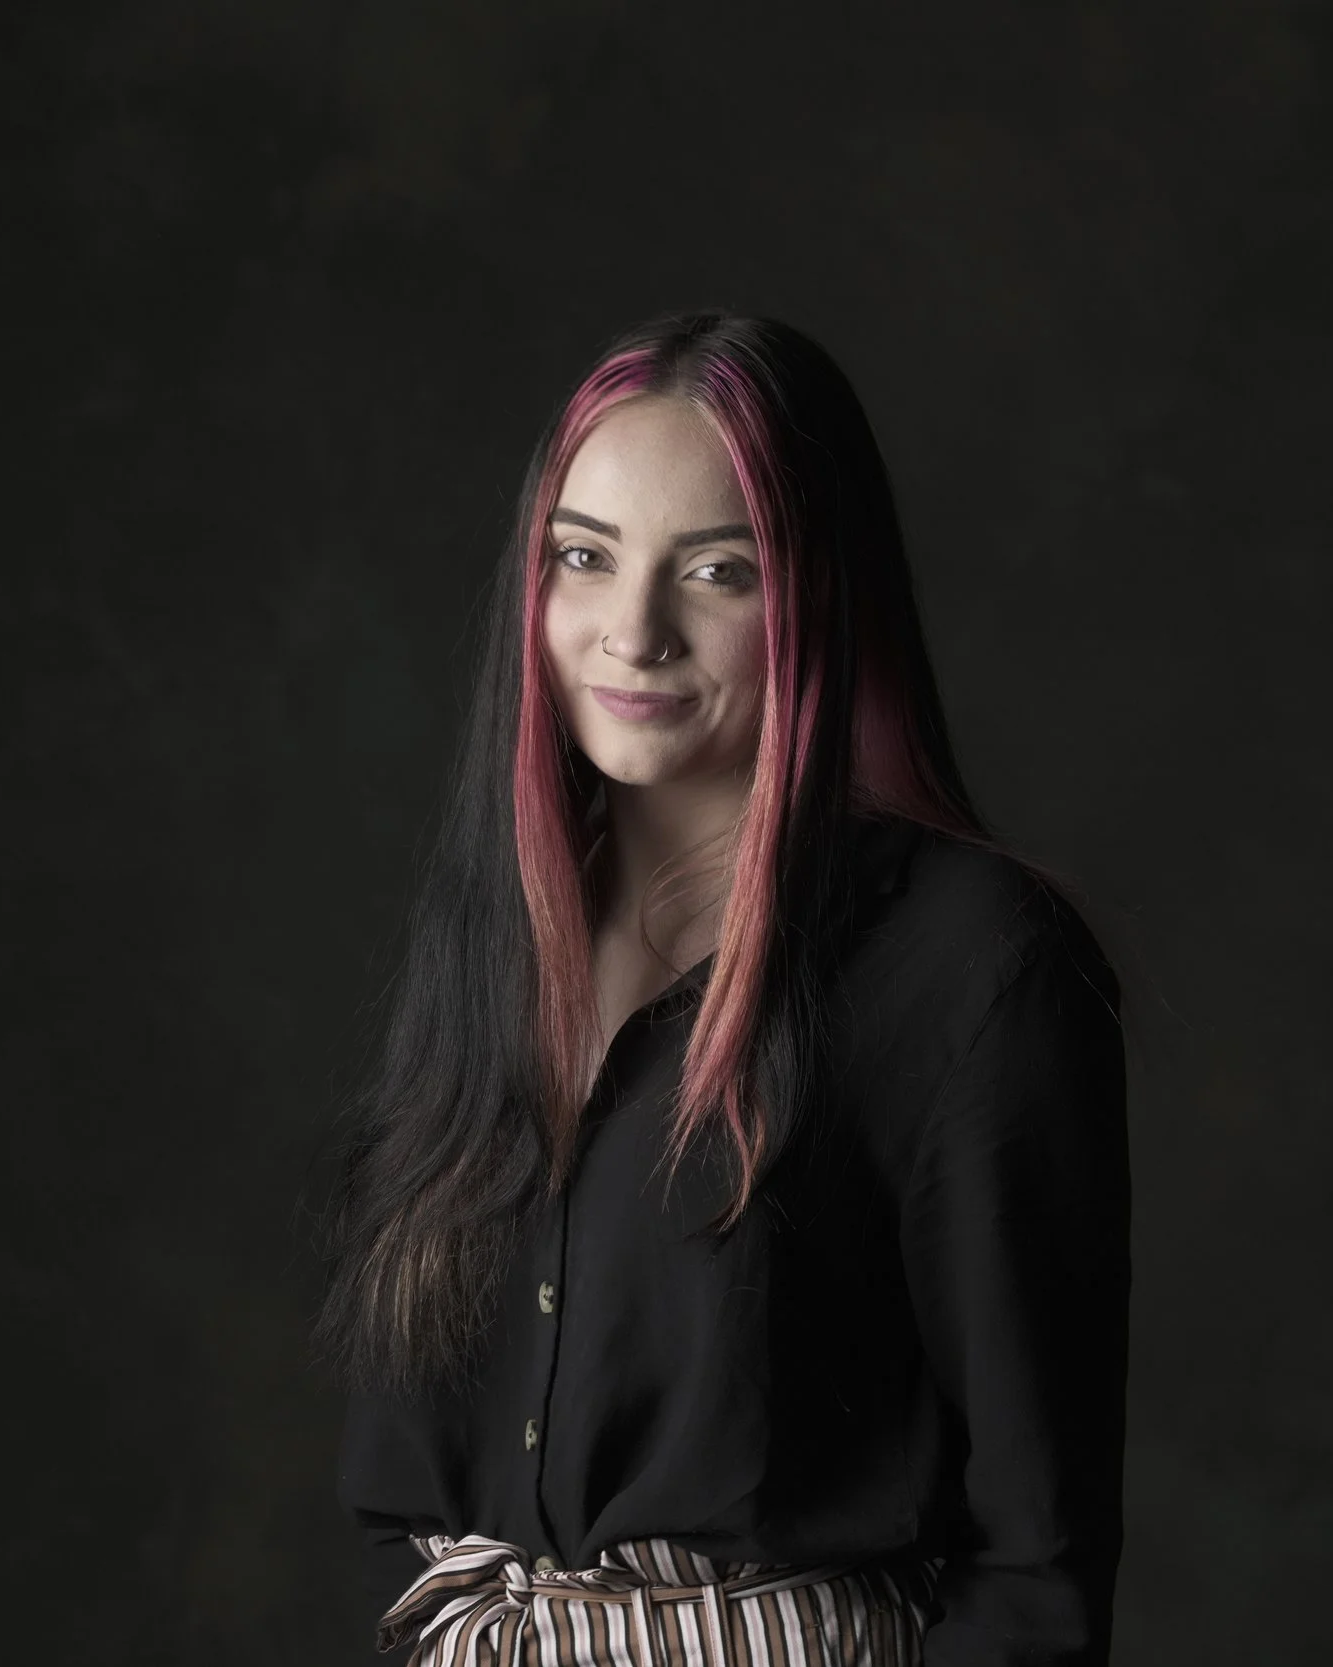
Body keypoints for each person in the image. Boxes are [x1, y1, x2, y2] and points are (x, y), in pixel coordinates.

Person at [315, 311, 1131, 1667]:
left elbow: (1038, 1570)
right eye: (584, 557)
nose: (632, 631)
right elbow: (400, 1489)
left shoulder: (976, 963)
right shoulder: (490, 939)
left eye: (716, 571)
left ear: (821, 594)